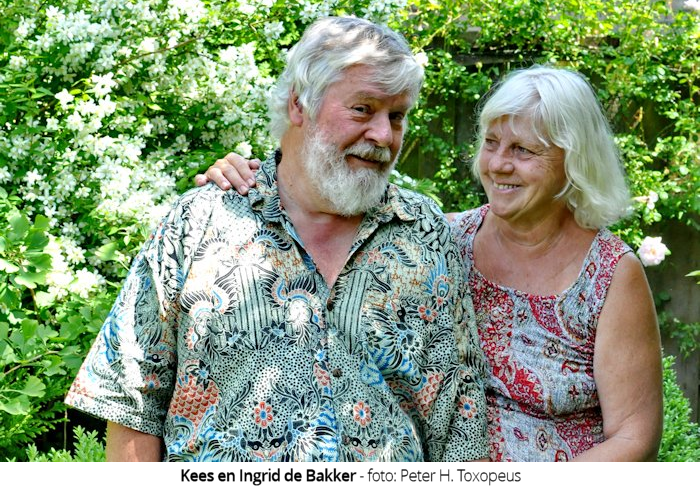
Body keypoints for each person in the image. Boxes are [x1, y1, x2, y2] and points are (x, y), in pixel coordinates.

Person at [65, 16, 488, 462]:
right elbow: (133, 403)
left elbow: (460, 423)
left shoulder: (425, 233)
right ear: (299, 105)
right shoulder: (201, 220)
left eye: (396, 116)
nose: (383, 135)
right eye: (363, 109)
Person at [203, 65, 664, 462]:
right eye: (491, 143)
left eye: (523, 150)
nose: (499, 164)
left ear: (573, 162)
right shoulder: (441, 238)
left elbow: (635, 436)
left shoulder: (608, 273)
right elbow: (324, 208)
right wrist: (253, 178)